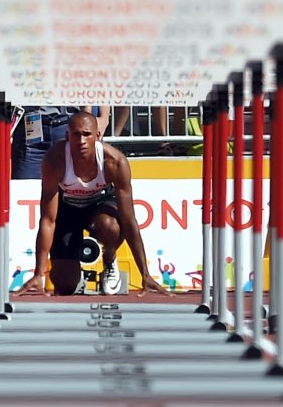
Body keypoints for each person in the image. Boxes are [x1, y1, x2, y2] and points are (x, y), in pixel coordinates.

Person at [14, 111, 169, 296]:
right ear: (67, 136)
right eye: (76, 135)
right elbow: (48, 220)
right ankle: (73, 270)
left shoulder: (115, 162)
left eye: (86, 135)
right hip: (68, 208)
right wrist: (39, 272)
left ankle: (109, 257)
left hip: (100, 204)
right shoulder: (55, 160)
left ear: (97, 136)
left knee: (110, 225)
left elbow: (129, 221)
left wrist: (145, 273)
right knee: (64, 285)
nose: (81, 141)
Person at [12, 106, 110, 179]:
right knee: (26, 190)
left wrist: (103, 118)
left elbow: (98, 80)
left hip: (72, 124)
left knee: (79, 192)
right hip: (31, 125)